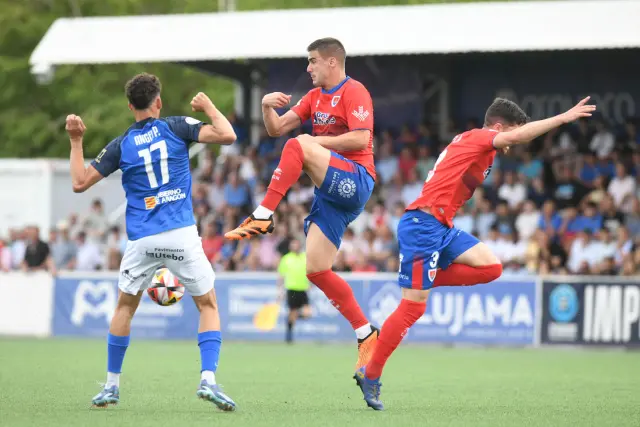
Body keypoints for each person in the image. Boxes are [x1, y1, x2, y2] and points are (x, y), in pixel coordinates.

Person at [354, 96, 596, 410]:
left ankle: (424, 280)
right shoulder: (479, 137)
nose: (511, 143)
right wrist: (562, 118)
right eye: (511, 133)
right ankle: (370, 373)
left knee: (491, 267)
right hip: (423, 224)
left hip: (442, 225)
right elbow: (518, 137)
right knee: (413, 308)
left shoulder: (480, 146)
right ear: (499, 127)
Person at [65, 73, 238, 411]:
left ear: (130, 106)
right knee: (208, 305)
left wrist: (75, 140)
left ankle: (111, 385)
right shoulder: (177, 126)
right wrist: (207, 106)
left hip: (141, 239)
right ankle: (208, 378)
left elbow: (79, 183)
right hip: (180, 234)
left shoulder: (121, 145)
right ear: (158, 101)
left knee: (125, 308)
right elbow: (228, 135)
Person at [224, 38, 379, 369]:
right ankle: (366, 333)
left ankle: (263, 214)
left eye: (312, 61)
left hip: (356, 180)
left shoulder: (355, 91)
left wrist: (314, 141)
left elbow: (361, 138)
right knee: (317, 271)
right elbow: (276, 129)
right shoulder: (313, 97)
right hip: (330, 194)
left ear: (332, 62)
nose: (308, 68)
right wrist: (266, 107)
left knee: (299, 144)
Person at [277, 239, 311, 343]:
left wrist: (311, 283)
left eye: (296, 245)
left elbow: (311, 270)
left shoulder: (305, 257)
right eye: (293, 245)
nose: (295, 247)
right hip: (292, 289)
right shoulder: (286, 259)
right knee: (292, 311)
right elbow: (281, 275)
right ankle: (289, 335)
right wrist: (280, 290)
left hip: (303, 289)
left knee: (307, 313)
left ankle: (291, 317)